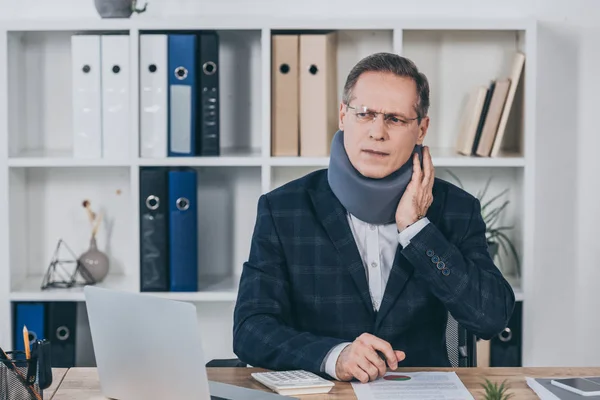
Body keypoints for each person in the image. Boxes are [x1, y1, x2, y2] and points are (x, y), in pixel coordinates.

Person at [233, 52, 515, 383]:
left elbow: (492, 318)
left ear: (422, 129)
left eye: (395, 119)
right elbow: (250, 329)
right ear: (342, 116)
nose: (377, 132)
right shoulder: (283, 209)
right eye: (365, 114)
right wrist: (334, 356)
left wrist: (417, 230)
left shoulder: (455, 209)